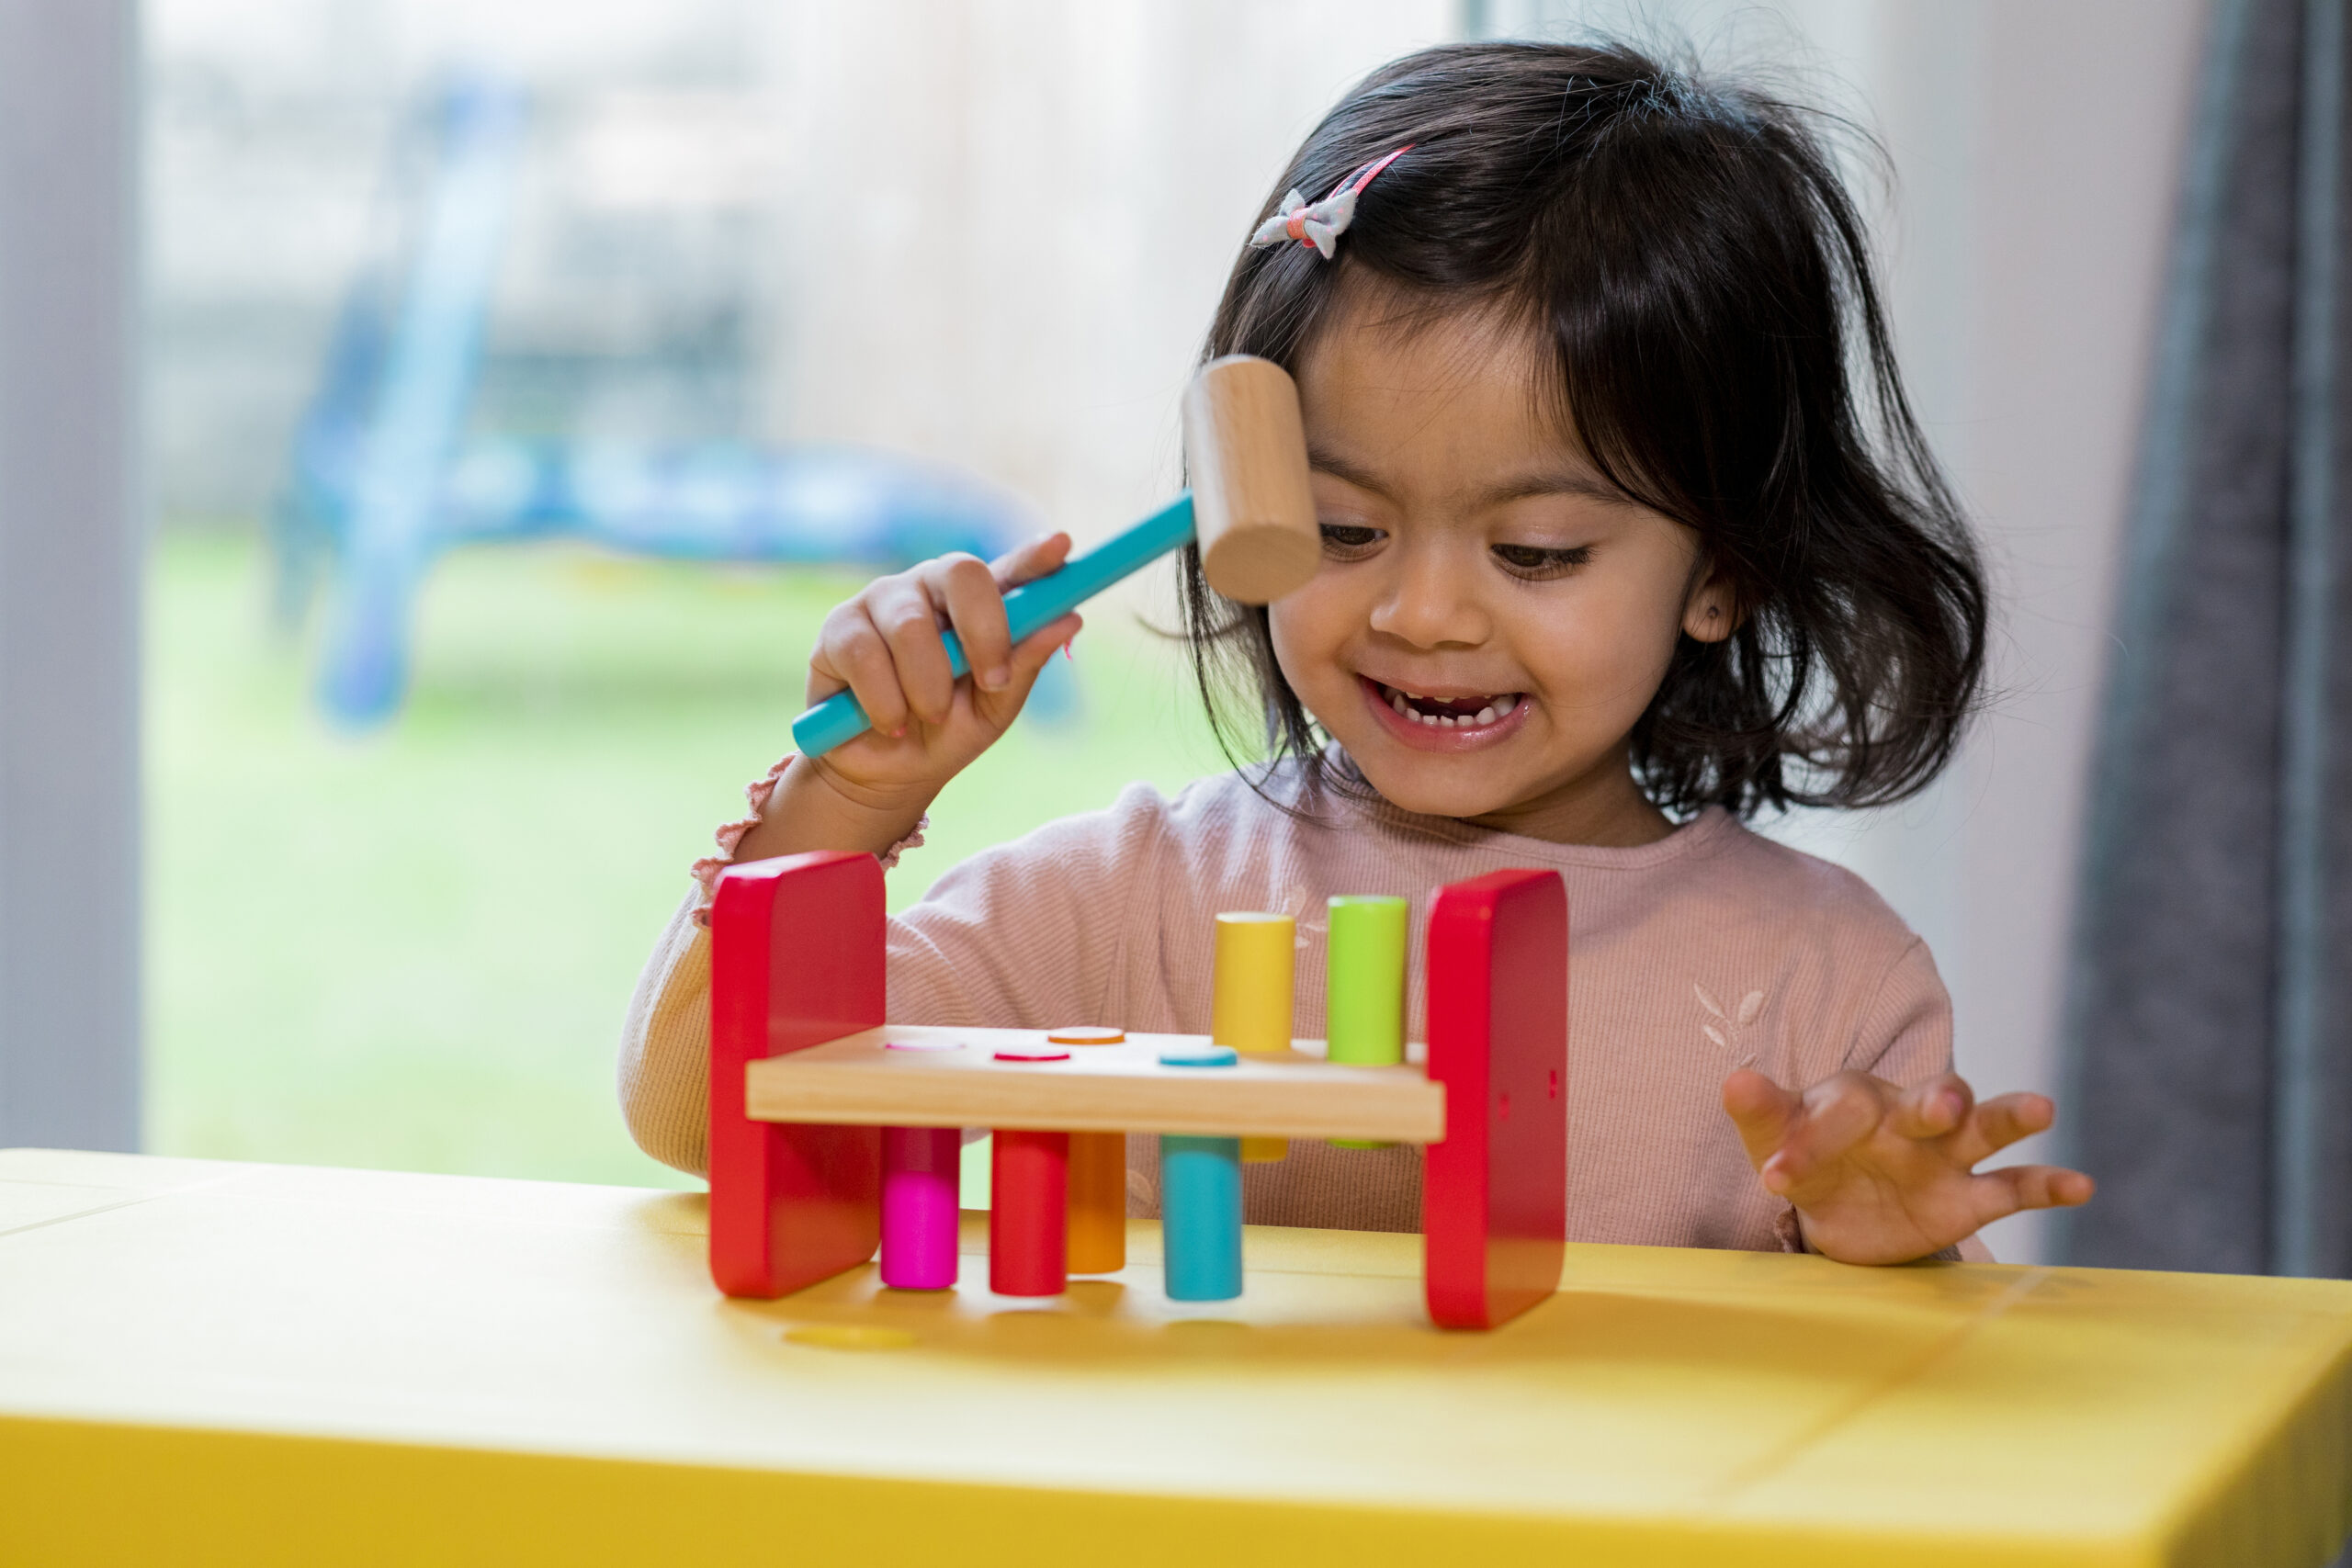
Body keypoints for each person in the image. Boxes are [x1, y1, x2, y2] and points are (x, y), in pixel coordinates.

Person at [619, 39, 2094, 1265]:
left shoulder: (1822, 980)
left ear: (1721, 571)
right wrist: (848, 804)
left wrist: (1882, 1248)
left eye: (1536, 554)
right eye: (1340, 529)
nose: (1424, 616)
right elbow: (704, 1116)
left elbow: (1889, 1445)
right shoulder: (1135, 902)